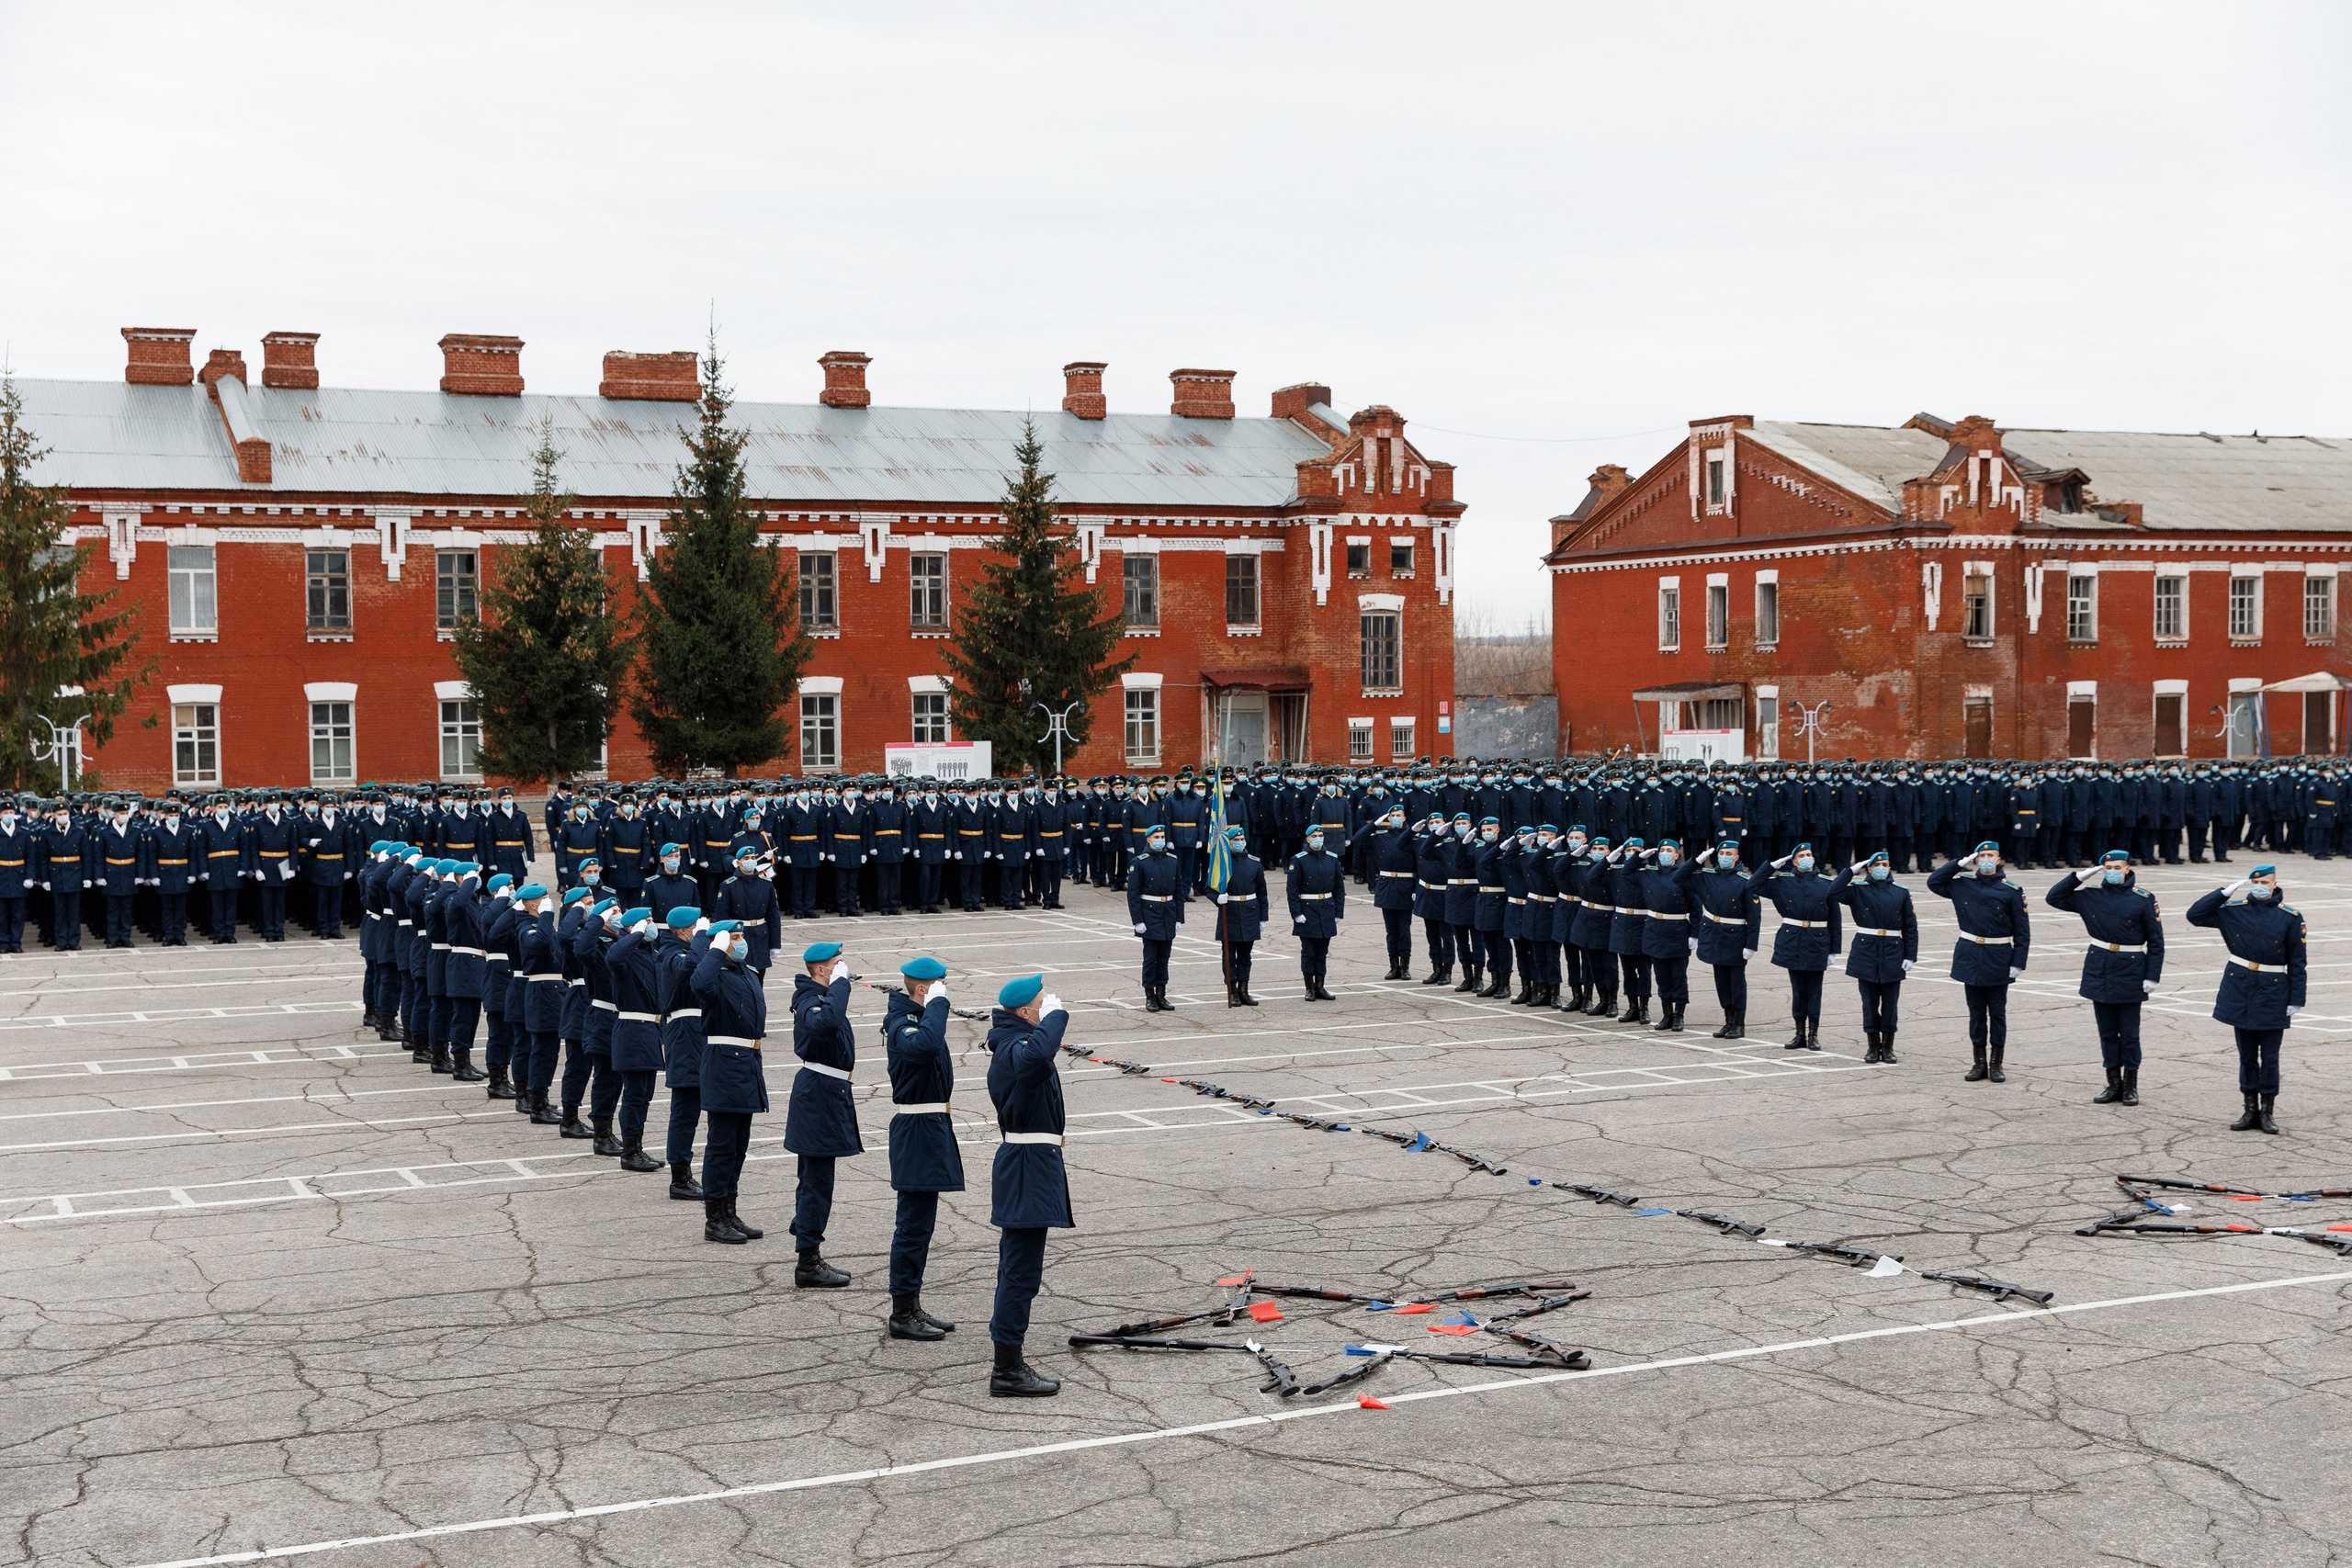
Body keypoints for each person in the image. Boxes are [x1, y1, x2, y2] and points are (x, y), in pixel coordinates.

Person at [984, 974, 1071, 1398]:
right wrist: (1058, 1018)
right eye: (1040, 1004)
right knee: (1019, 1272)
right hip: (1026, 1167)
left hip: (1031, 1164)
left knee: (1020, 1270)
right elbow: (1038, 1058)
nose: (1045, 1007)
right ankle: (1007, 1369)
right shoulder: (1016, 1048)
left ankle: (1009, 1362)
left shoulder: (1015, 1043)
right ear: (1023, 1013)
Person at [2187, 865, 2306, 1134]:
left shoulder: (2290, 917)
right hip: (2240, 988)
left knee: (2271, 1058)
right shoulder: (2234, 909)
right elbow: (2194, 915)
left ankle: (2267, 1113)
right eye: (2255, 882)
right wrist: (2223, 892)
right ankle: (2249, 1110)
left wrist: (2297, 998)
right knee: (2247, 1056)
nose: (2260, 886)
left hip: (2274, 991)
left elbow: (2298, 962)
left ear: (2275, 885)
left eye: (2265, 882)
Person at [882, 955, 961, 1340]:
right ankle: (901, 1313)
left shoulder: (918, 1020)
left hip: (929, 1127)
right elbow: (927, 1048)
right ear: (923, 989)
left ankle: (912, 1303)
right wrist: (939, 1004)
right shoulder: (903, 1023)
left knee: (923, 1225)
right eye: (940, 986)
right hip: (916, 1128)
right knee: (912, 1227)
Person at [784, 941, 859, 1283]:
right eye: (837, 964)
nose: (843, 969)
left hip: (827, 1093)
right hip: (818, 1096)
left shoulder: (820, 998)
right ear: (821, 970)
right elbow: (828, 1024)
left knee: (815, 1180)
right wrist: (841, 984)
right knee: (816, 1182)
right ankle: (808, 1262)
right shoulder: (811, 1000)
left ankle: (807, 1241)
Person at [1928, 841, 2031, 1083]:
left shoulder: (2011, 890)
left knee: (1997, 1014)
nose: (1985, 859)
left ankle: (1996, 1064)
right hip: (1970, 955)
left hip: (1999, 958)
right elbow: (1934, 882)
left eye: (1990, 855)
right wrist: (1959, 863)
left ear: (1998, 859)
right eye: (1981, 855)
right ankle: (1979, 1063)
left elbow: (2023, 932)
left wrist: (2019, 962)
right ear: (1976, 859)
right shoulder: (1963, 884)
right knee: (1975, 1014)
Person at [692, 918, 769, 1241]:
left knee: (738, 1146)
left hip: (747, 1063)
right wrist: (714, 950)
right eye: (732, 938)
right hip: (724, 1063)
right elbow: (699, 984)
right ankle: (714, 1219)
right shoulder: (713, 974)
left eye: (740, 936)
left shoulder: (747, 973)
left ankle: (729, 1211)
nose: (739, 942)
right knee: (721, 1146)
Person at [1830, 851, 1917, 1064]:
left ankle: (1888, 1047)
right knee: (1868, 1003)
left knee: (1890, 1005)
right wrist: (1850, 871)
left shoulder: (1901, 892)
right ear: (1869, 868)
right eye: (1876, 865)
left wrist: (1910, 956)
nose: (1881, 868)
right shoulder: (1858, 890)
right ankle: (1872, 1046)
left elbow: (1910, 926)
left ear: (1889, 868)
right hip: (1866, 951)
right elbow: (1833, 892)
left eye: (1885, 864)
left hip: (1892, 952)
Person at [1760, 842, 1839, 1050]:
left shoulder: (1826, 883)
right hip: (1793, 940)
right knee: (1797, 991)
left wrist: (1834, 949)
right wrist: (1771, 867)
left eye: (1809, 854)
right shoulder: (1783, 881)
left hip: (1817, 941)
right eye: (1802, 855)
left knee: (1814, 991)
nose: (1807, 858)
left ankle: (1813, 1034)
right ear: (1794, 862)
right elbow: (1753, 885)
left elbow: (1835, 920)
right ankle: (1799, 1034)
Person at [656, 906, 711, 1200]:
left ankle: (683, 1170)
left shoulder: (682, 949)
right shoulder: (670, 953)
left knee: (691, 1107)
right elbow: (689, 968)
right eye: (695, 927)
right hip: (684, 1034)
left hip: (695, 1032)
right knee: (685, 1109)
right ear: (682, 931)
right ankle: (679, 1176)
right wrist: (702, 937)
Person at [1683, 838, 1760, 1038]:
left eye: (1729, 854)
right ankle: (1728, 1021)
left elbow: (1754, 917)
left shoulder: (1745, 881)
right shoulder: (1708, 876)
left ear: (1736, 858)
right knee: (1721, 981)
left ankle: (1739, 1023)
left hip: (1735, 937)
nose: (1724, 857)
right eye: (1722, 854)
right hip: (1714, 935)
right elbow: (1678, 878)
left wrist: (1751, 944)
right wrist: (1695, 861)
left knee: (1736, 981)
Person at [1126, 823, 1186, 1011]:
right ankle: (1150, 996)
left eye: (1162, 837)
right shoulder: (1140, 862)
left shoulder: (1172, 860)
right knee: (1150, 958)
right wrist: (1138, 921)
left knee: (1164, 958)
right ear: (1148, 839)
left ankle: (1162, 995)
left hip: (1168, 912)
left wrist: (1179, 917)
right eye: (1156, 838)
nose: (1160, 841)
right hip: (1150, 914)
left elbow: (1178, 891)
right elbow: (1133, 895)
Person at [1286, 823, 1347, 1001]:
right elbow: (1292, 890)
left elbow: (1339, 889)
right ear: (1308, 839)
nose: (1318, 838)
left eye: (1320, 835)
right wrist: (1297, 913)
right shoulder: (1299, 860)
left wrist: (1338, 912)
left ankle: (1320, 986)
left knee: (1322, 951)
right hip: (1308, 911)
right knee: (1308, 951)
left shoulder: (1332, 858)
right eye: (1314, 836)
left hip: (1327, 909)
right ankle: (1309, 987)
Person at [1214, 824, 1268, 1007]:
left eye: (1242, 840)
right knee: (1229, 956)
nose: (1239, 843)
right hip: (1230, 912)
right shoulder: (1222, 863)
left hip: (1250, 912)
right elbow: (1209, 888)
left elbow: (1262, 892)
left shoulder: (1254, 862)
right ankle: (1232, 991)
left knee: (1246, 956)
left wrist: (1263, 917)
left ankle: (1244, 990)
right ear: (1229, 843)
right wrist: (1217, 898)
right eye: (1235, 840)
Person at [1363, 805, 1419, 981]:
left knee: (1404, 930)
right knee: (1391, 931)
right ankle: (1393, 967)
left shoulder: (1412, 836)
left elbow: (1419, 864)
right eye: (1392, 815)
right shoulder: (1381, 836)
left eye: (1398, 815)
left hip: (1405, 886)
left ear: (1404, 818)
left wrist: (1416, 888)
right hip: (1387, 885)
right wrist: (1373, 824)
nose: (1395, 818)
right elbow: (1358, 840)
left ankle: (1405, 967)